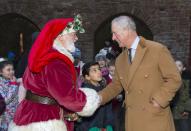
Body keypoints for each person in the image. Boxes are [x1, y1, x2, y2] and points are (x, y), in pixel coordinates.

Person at [8, 14, 100, 131]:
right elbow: (66, 96)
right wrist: (91, 100)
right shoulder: (56, 62)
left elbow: (48, 90)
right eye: (73, 34)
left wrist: (67, 111)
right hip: (45, 119)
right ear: (61, 36)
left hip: (30, 112)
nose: (76, 38)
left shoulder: (43, 57)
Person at [98, 15, 182, 131]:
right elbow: (116, 86)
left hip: (154, 120)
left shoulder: (157, 50)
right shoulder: (120, 59)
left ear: (127, 30)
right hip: (132, 121)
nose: (113, 38)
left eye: (115, 33)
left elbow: (174, 78)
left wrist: (159, 100)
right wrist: (98, 98)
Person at [75, 62, 113, 131]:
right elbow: (81, 115)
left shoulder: (105, 89)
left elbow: (109, 110)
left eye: (99, 69)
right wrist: (88, 128)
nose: (99, 72)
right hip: (89, 127)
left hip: (104, 128)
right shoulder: (84, 92)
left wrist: (109, 125)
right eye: (94, 70)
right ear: (87, 77)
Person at [0, 59, 19, 131]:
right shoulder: (1, 84)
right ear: (1, 72)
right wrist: (13, 85)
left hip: (14, 114)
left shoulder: (11, 80)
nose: (12, 72)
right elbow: (5, 101)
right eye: (8, 70)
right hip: (5, 116)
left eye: (12, 69)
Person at [171, 60, 190, 131]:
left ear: (183, 68)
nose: (176, 67)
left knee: (184, 126)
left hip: (183, 111)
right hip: (172, 110)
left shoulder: (186, 80)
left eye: (179, 65)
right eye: (174, 65)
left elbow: (187, 95)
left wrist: (187, 109)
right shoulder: (169, 79)